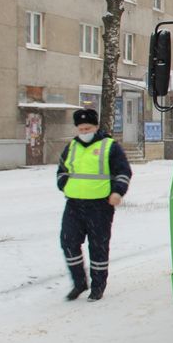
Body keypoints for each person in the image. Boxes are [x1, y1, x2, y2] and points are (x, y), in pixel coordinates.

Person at [57, 108, 132, 302]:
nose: (84, 132)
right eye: (81, 129)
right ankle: (79, 282)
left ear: (96, 126)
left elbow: (123, 171)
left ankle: (98, 287)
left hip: (100, 206)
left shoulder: (110, 146)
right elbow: (62, 170)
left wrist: (117, 192)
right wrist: (63, 183)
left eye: (87, 128)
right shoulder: (71, 146)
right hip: (74, 204)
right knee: (68, 242)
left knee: (98, 247)